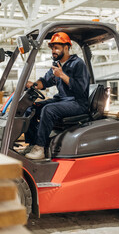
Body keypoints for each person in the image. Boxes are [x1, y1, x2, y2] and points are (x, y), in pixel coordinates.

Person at [24, 32, 90, 160]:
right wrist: (33, 85)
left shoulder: (78, 64)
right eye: (52, 48)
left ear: (66, 48)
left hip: (77, 102)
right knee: (29, 108)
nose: (53, 51)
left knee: (49, 110)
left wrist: (62, 75)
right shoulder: (57, 65)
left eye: (56, 48)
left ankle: (40, 148)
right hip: (62, 100)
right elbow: (45, 81)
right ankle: (33, 144)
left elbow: (80, 89)